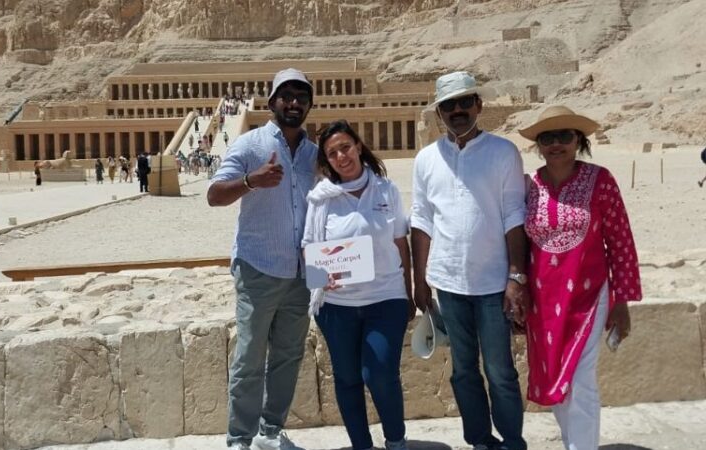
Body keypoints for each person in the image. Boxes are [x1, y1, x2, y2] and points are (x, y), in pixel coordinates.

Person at [410, 71, 529, 450]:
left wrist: (516, 277)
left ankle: (512, 441)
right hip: (448, 283)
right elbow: (422, 220)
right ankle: (479, 440)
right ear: (439, 113)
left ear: (479, 105)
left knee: (500, 371)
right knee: (463, 372)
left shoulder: (503, 152)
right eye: (449, 105)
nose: (458, 110)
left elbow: (514, 215)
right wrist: (419, 280)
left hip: (493, 283)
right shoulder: (427, 159)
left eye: (465, 102)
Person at [519, 106, 642, 450]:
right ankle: (574, 442)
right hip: (542, 303)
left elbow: (621, 242)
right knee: (556, 377)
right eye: (547, 138)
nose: (556, 144)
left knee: (581, 380)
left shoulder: (601, 181)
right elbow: (516, 244)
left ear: (579, 141)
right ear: (538, 145)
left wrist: (622, 301)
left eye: (564, 136)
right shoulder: (530, 186)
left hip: (589, 298)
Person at [208, 68, 317, 450]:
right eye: (286, 95)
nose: (293, 103)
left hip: (302, 274)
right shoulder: (250, 144)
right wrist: (252, 181)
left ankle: (271, 433)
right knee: (250, 357)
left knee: (288, 357)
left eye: (301, 96)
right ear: (271, 102)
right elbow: (214, 195)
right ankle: (239, 438)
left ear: (309, 104)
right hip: (258, 268)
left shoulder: (315, 155)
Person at [302, 120, 414, 450]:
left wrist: (408, 292)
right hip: (337, 305)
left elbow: (401, 243)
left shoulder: (386, 190)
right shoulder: (321, 199)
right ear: (326, 160)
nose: (341, 156)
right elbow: (310, 246)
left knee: (380, 374)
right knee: (347, 379)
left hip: (385, 297)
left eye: (346, 147)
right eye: (332, 152)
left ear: (358, 146)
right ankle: (361, 445)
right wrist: (323, 278)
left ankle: (396, 441)